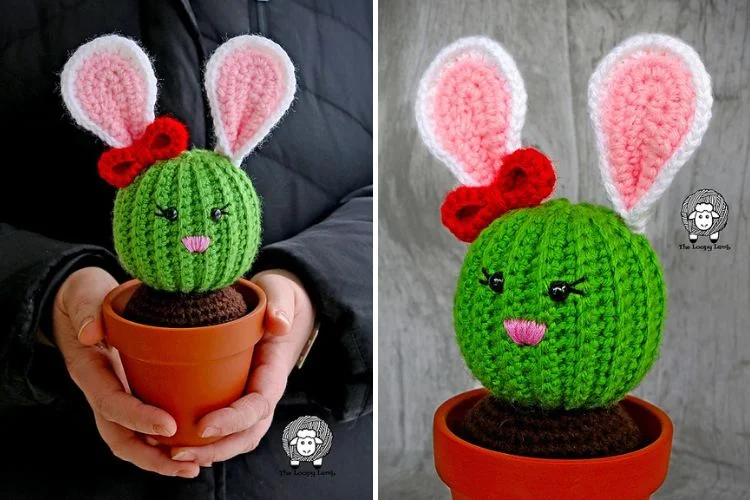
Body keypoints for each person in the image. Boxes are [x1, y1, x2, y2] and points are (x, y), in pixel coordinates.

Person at [0, 1, 372, 498]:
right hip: (49, 460)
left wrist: (313, 288)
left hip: (312, 462)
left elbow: (388, 193)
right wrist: (43, 294)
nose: (194, 238)